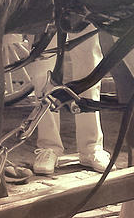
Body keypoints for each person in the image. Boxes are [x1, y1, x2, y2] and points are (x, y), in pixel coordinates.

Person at [26, 25, 112, 175]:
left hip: (83, 4)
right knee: (42, 70)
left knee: (89, 64)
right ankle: (48, 146)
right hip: (44, 6)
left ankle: (91, 147)